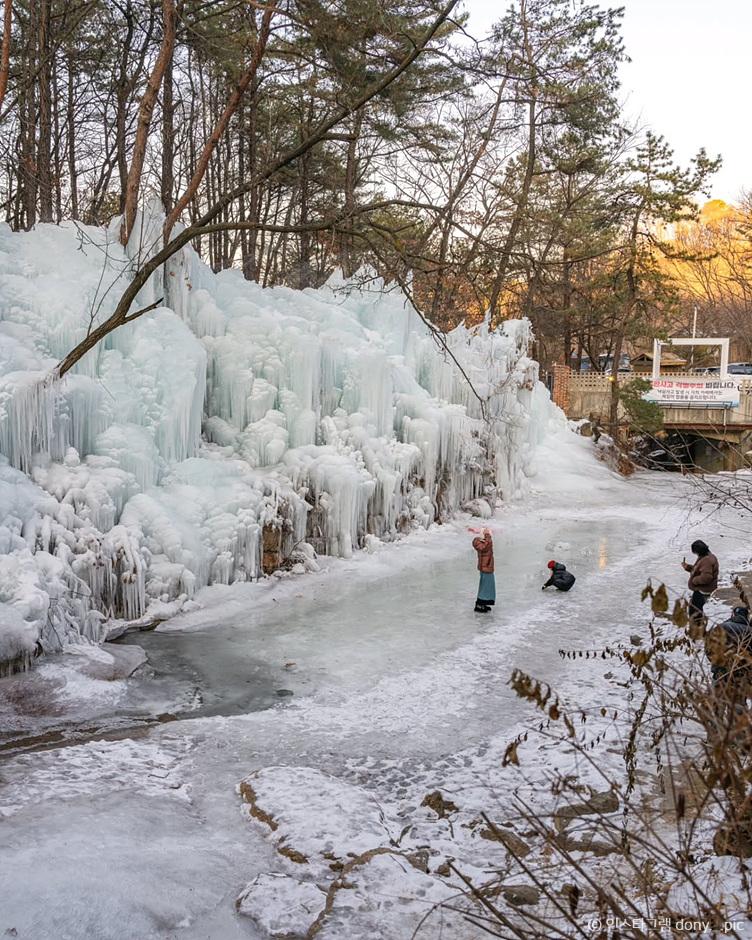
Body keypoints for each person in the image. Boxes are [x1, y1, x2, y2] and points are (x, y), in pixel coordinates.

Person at [707, 606, 752, 684]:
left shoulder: (721, 627)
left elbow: (709, 649)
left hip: (721, 673)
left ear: (733, 615)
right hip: (743, 677)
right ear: (747, 617)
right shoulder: (750, 631)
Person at [681, 540, 719, 622]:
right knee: (695, 609)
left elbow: (707, 577)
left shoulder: (707, 560)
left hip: (703, 590)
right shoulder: (707, 557)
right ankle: (697, 625)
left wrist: (694, 581)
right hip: (703, 589)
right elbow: (700, 571)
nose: (696, 554)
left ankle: (697, 627)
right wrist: (688, 567)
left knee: (695, 611)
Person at [472, 527, 495, 613]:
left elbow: (488, 545)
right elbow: (485, 547)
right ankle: (480, 604)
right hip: (485, 568)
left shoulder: (484, 542)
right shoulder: (478, 542)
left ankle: (484, 603)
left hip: (488, 567)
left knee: (488, 585)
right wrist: (487, 535)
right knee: (485, 586)